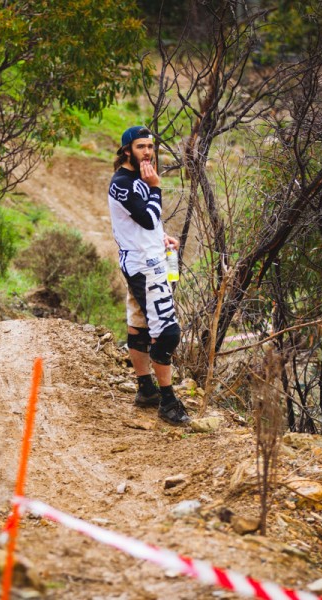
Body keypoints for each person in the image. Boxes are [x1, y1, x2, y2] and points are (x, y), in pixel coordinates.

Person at [107, 125, 190, 425]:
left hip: (147, 258)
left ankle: (146, 390)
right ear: (127, 149)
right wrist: (156, 187)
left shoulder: (138, 179)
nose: (147, 152)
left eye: (150, 147)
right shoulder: (123, 182)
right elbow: (147, 215)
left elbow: (145, 223)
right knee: (167, 333)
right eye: (141, 147)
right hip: (144, 267)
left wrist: (161, 237)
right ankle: (168, 403)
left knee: (140, 327)